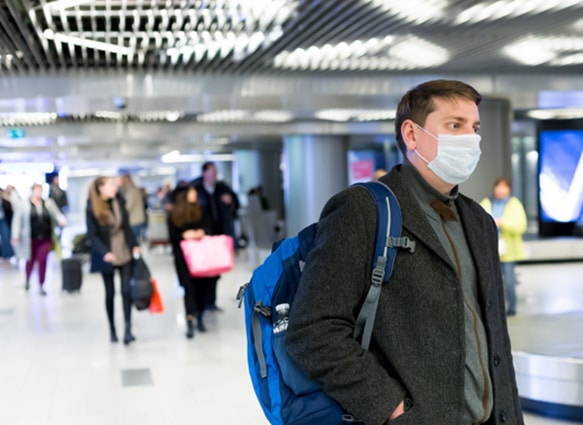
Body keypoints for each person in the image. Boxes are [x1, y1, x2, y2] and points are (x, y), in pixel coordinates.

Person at [285, 80, 523, 424]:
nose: (471, 139)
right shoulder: (363, 210)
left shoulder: (479, 221)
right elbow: (313, 329)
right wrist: (390, 408)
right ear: (412, 135)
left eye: (475, 128)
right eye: (455, 125)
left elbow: (495, 338)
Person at [86, 176, 141, 344]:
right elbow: (92, 235)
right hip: (106, 254)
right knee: (110, 293)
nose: (114, 187)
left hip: (123, 249)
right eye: (110, 185)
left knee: (126, 291)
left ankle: (127, 329)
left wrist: (135, 245)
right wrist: (104, 253)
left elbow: (126, 226)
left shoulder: (119, 200)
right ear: (100, 188)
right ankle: (112, 329)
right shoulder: (92, 207)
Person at [167, 184, 213, 338]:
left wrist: (201, 232)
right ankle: (190, 320)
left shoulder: (201, 210)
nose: (195, 194)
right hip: (183, 257)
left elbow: (210, 228)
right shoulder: (174, 214)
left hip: (200, 256)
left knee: (201, 288)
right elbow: (172, 236)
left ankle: (199, 317)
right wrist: (185, 235)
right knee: (189, 289)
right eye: (192, 192)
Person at [191, 162, 236, 312]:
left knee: (215, 271)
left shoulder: (222, 188)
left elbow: (235, 205)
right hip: (202, 237)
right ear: (205, 173)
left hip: (219, 236)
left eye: (215, 173)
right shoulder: (196, 189)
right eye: (212, 173)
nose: (214, 176)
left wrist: (230, 203)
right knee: (203, 271)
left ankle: (211, 302)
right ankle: (201, 302)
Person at [480, 178, 527, 316]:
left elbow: (521, 226)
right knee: (491, 281)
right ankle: (493, 308)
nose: (500, 190)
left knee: (509, 281)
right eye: (498, 187)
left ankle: (512, 307)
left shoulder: (514, 204)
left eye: (504, 187)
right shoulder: (486, 203)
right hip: (490, 250)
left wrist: (502, 223)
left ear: (509, 189)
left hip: (509, 251)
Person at [10, 183, 67, 294]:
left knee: (42, 260)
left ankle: (41, 284)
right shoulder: (24, 205)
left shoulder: (48, 203)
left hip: (45, 238)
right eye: (37, 191)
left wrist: (62, 220)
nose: (39, 193)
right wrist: (15, 235)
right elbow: (17, 221)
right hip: (30, 238)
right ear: (32, 191)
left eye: (40, 191)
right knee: (30, 260)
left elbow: (57, 214)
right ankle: (27, 279)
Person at [120, 174, 147, 241]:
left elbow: (128, 207)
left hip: (134, 221)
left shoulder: (132, 191)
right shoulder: (134, 189)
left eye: (123, 179)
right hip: (137, 220)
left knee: (133, 242)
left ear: (128, 179)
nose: (122, 182)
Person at [0, 188, 14, 262]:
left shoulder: (6, 202)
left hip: (4, 221)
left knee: (6, 238)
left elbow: (10, 214)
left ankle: (8, 255)